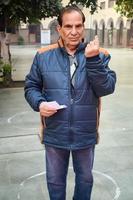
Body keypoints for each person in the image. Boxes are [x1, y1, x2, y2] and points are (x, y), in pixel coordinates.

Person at [24, 5, 116, 200]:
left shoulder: (100, 55)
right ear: (59, 28)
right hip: (55, 132)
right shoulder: (43, 56)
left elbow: (106, 88)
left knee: (85, 179)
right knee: (55, 181)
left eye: (78, 26)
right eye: (68, 26)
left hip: (85, 133)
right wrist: (40, 103)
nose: (74, 32)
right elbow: (31, 86)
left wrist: (92, 61)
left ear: (84, 27)